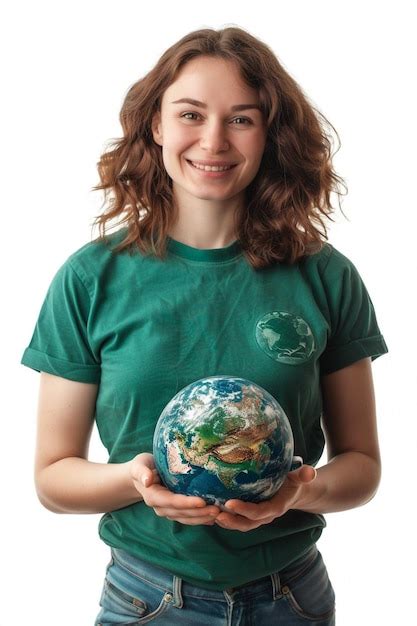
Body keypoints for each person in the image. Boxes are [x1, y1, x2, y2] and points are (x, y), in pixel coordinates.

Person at [21, 25, 388, 626]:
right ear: (157, 127)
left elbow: (363, 466)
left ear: (271, 135)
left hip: (291, 598)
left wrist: (301, 492)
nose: (213, 140)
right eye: (190, 113)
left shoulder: (326, 275)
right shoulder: (91, 278)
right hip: (149, 598)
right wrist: (135, 481)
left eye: (241, 119)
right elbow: (54, 479)